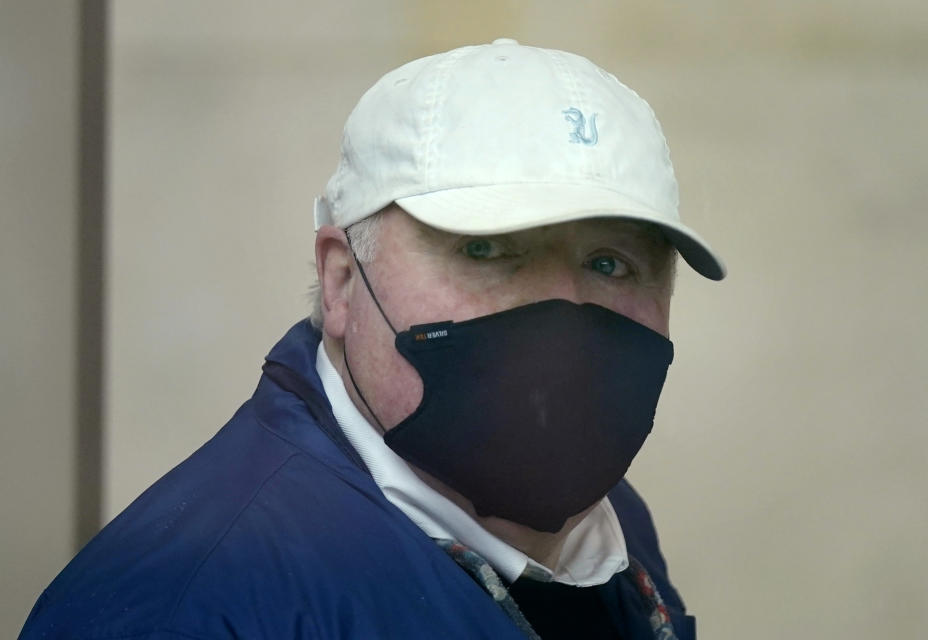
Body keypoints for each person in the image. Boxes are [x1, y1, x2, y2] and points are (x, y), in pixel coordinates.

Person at [20, 38, 724, 640]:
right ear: (341, 280)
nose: (563, 313)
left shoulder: (607, 525)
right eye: (486, 251)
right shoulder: (192, 608)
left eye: (610, 264)